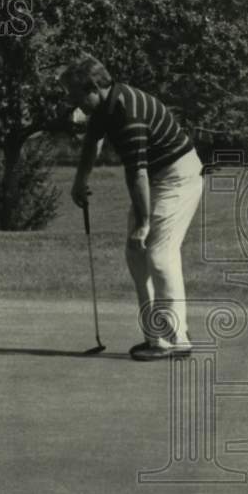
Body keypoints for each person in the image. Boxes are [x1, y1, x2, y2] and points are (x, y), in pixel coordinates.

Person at [61, 55, 203, 361]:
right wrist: (79, 181)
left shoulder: (128, 114)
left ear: (94, 88)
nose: (74, 103)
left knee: (159, 255)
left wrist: (143, 223)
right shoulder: (105, 107)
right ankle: (157, 337)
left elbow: (137, 174)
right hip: (158, 176)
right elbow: (92, 141)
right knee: (135, 254)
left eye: (76, 96)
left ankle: (176, 339)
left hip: (178, 177)